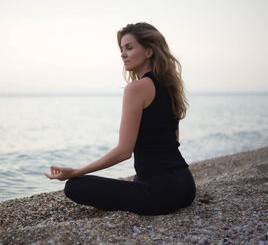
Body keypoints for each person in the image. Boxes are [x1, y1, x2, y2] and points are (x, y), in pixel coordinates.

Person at [45, 22, 196, 215]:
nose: (123, 54)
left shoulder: (136, 88)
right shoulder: (170, 88)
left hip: (159, 194)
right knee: (134, 182)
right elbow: (173, 141)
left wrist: (76, 171)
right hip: (185, 186)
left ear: (149, 51)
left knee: (75, 186)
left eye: (129, 48)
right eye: (122, 49)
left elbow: (124, 151)